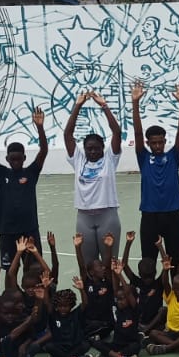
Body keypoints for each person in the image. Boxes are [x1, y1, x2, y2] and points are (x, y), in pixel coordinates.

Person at [63, 89, 123, 265]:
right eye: (89, 148)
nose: (93, 151)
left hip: (108, 216)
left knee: (109, 263)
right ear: (84, 149)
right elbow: (67, 134)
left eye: (96, 148)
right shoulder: (78, 159)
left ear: (103, 147)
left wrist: (104, 106)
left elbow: (117, 132)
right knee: (88, 265)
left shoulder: (110, 159)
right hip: (84, 218)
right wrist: (78, 105)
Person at [0, 104, 49, 267]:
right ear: (7, 159)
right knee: (9, 268)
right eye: (12, 159)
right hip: (6, 230)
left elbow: (43, 152)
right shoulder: (1, 173)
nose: (15, 162)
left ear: (24, 158)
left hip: (29, 229)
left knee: (34, 268)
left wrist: (40, 127)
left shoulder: (31, 173)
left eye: (18, 159)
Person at [132, 81, 179, 260]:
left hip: (173, 215)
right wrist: (135, 104)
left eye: (160, 142)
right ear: (148, 143)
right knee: (148, 260)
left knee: (175, 259)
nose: (157, 145)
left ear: (165, 141)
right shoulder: (143, 157)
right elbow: (138, 134)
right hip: (150, 216)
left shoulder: (173, 156)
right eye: (153, 142)